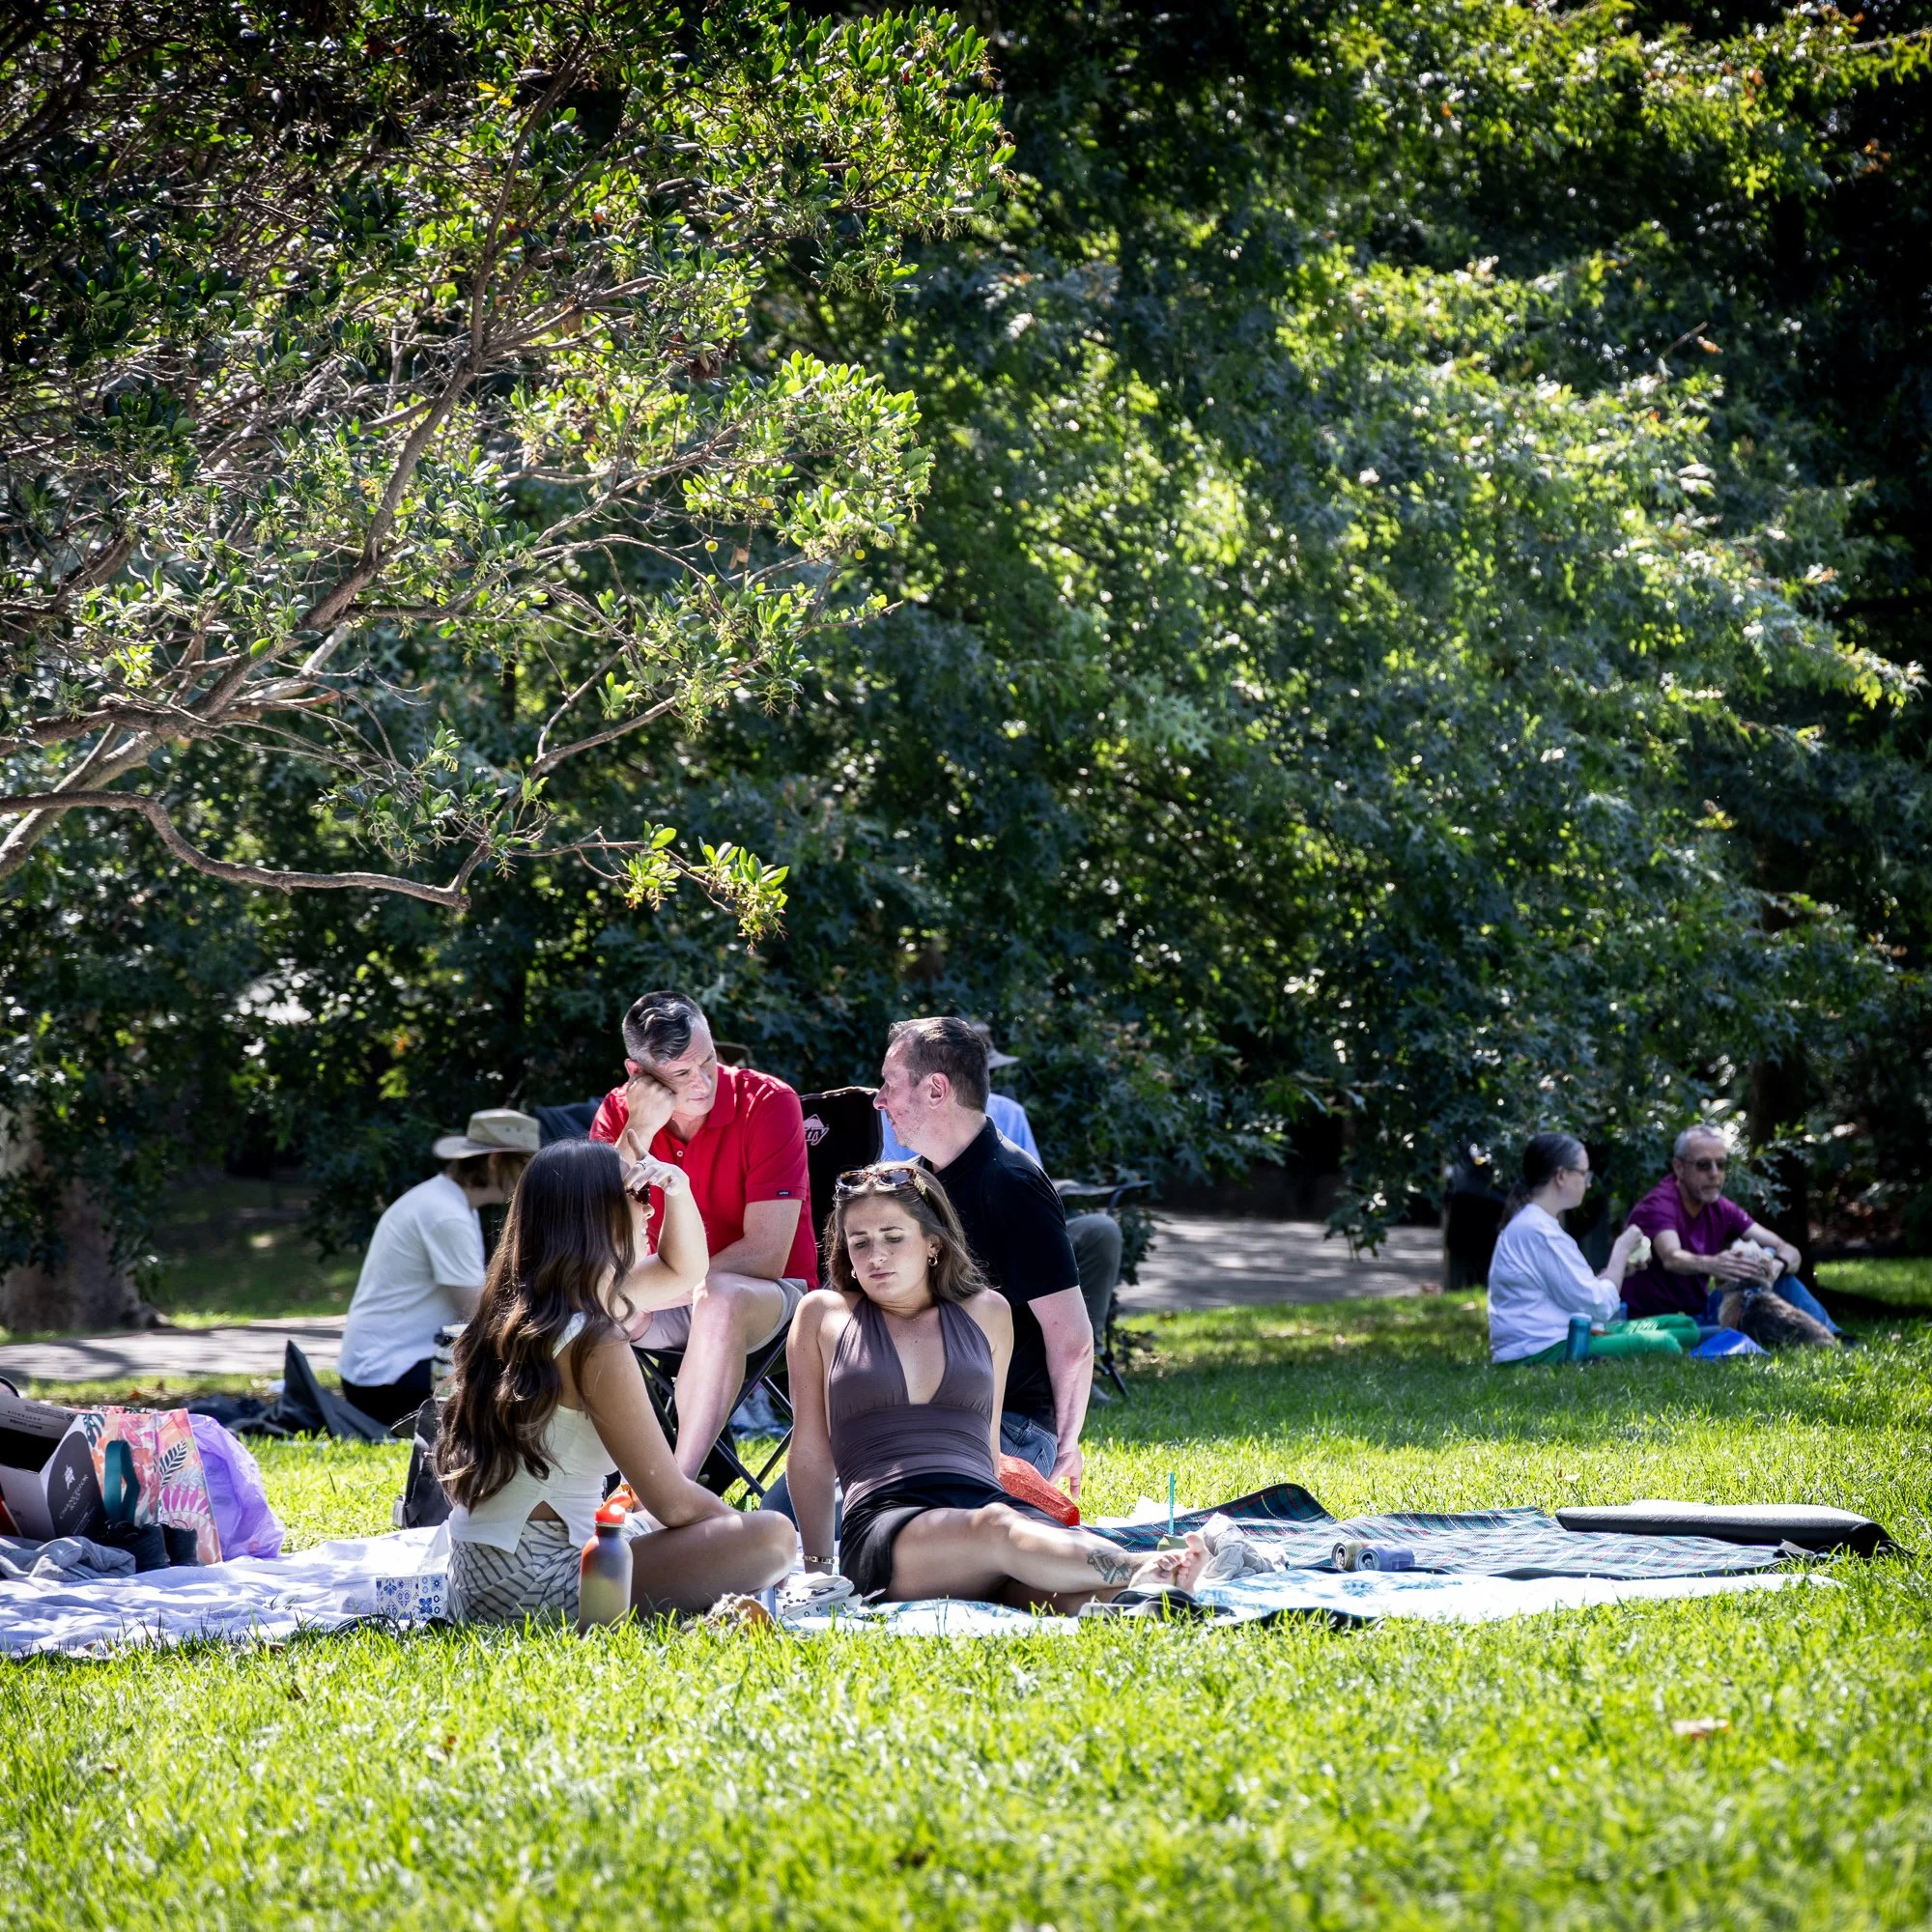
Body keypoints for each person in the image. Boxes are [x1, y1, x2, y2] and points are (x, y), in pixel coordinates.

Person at [783, 1161, 1204, 1608]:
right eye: (859, 1242)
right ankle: (1144, 1568)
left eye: (893, 1237)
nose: (875, 1256)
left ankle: (1148, 1598)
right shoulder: (823, 1314)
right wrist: (818, 1572)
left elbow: (986, 1446)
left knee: (1065, 1596)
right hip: (888, 1524)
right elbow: (809, 1452)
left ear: (933, 1244)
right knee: (997, 1530)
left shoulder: (988, 1312)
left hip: (982, 1503)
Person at [437, 1138, 795, 1623]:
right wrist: (739, 1531)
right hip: (542, 1583)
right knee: (773, 1537)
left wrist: (678, 1187)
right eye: (639, 1197)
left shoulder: (531, 1306)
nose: (649, 1211)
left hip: (480, 1578)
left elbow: (684, 1271)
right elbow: (669, 1500)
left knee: (650, 1526)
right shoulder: (592, 1336)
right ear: (598, 1214)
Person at [587, 991, 815, 1477]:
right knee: (578, 1310)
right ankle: (599, 1481)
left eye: (709, 1061)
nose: (703, 1082)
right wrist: (639, 1132)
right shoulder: (618, 1112)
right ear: (638, 1075)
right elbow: (597, 1234)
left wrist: (660, 1284)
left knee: (719, 1297)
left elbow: (767, 1255)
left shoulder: (769, 1102)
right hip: (664, 1297)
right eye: (682, 1074)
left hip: (769, 1299)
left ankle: (676, 1487)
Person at [873, 1016, 1093, 1495]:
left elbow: (1072, 1339)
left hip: (1010, 1426)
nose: (878, 1099)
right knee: (790, 1508)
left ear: (936, 1089)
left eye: (890, 1084)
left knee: (893, 1524)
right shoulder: (909, 1183)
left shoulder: (1012, 1184)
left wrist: (1066, 1447)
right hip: (916, 1418)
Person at [878, 1024, 1124, 1364]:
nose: (880, 1100)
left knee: (1099, 1230)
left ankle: (1082, 1364)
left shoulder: (1011, 1130)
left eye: (890, 1084)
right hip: (933, 1233)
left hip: (1005, 1226)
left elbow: (1031, 1187)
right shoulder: (902, 1127)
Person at [337, 1109, 539, 1427]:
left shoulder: (451, 1203)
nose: (528, 1176)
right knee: (524, 1381)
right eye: (524, 1164)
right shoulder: (447, 1214)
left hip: (377, 1373)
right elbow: (478, 1315)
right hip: (385, 1380)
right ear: (495, 1162)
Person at [1489, 1133, 1701, 1364]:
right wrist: (1621, 1249)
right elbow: (1598, 1306)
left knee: (1686, 1326)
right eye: (1583, 1174)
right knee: (1664, 1344)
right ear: (1561, 1176)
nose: (1588, 1183)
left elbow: (1578, 1296)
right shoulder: (1538, 1231)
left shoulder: (1537, 1224)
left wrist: (1619, 1270)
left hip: (1572, 1334)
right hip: (1543, 1349)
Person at [1621, 1126, 1841, 1340]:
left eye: (1721, 1165)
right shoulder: (1660, 1204)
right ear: (1679, 1168)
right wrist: (1714, 1264)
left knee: (1781, 1277)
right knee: (1745, 1300)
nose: (1715, 1174)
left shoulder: (1719, 1207)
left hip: (1699, 1312)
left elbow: (1789, 1251)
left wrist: (1775, 1267)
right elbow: (1672, 1257)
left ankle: (1836, 1336)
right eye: (1703, 1165)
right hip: (1660, 1322)